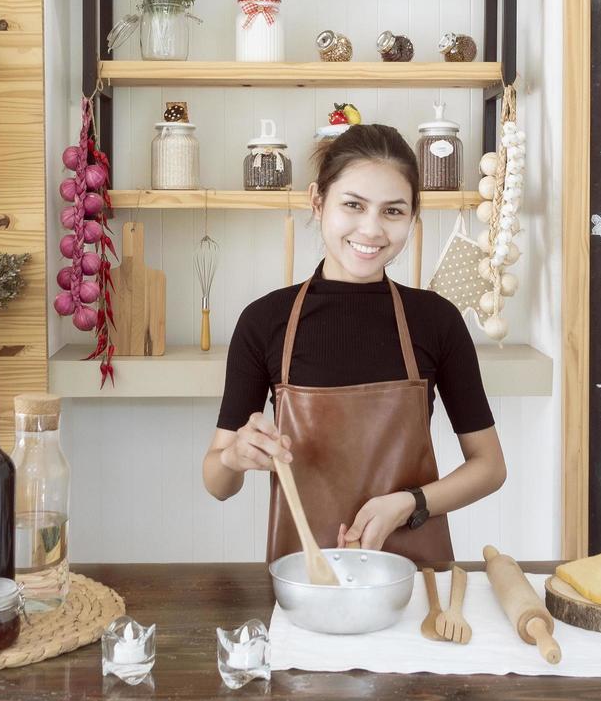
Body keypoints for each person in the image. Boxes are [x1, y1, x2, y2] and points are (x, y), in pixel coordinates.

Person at [201, 123, 506, 564]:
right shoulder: (265, 322)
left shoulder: (436, 320)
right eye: (353, 205)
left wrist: (408, 505)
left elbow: (490, 467)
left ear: (413, 219)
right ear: (317, 201)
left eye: (393, 212)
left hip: (414, 577)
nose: (372, 229)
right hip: (305, 578)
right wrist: (233, 457)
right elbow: (217, 483)